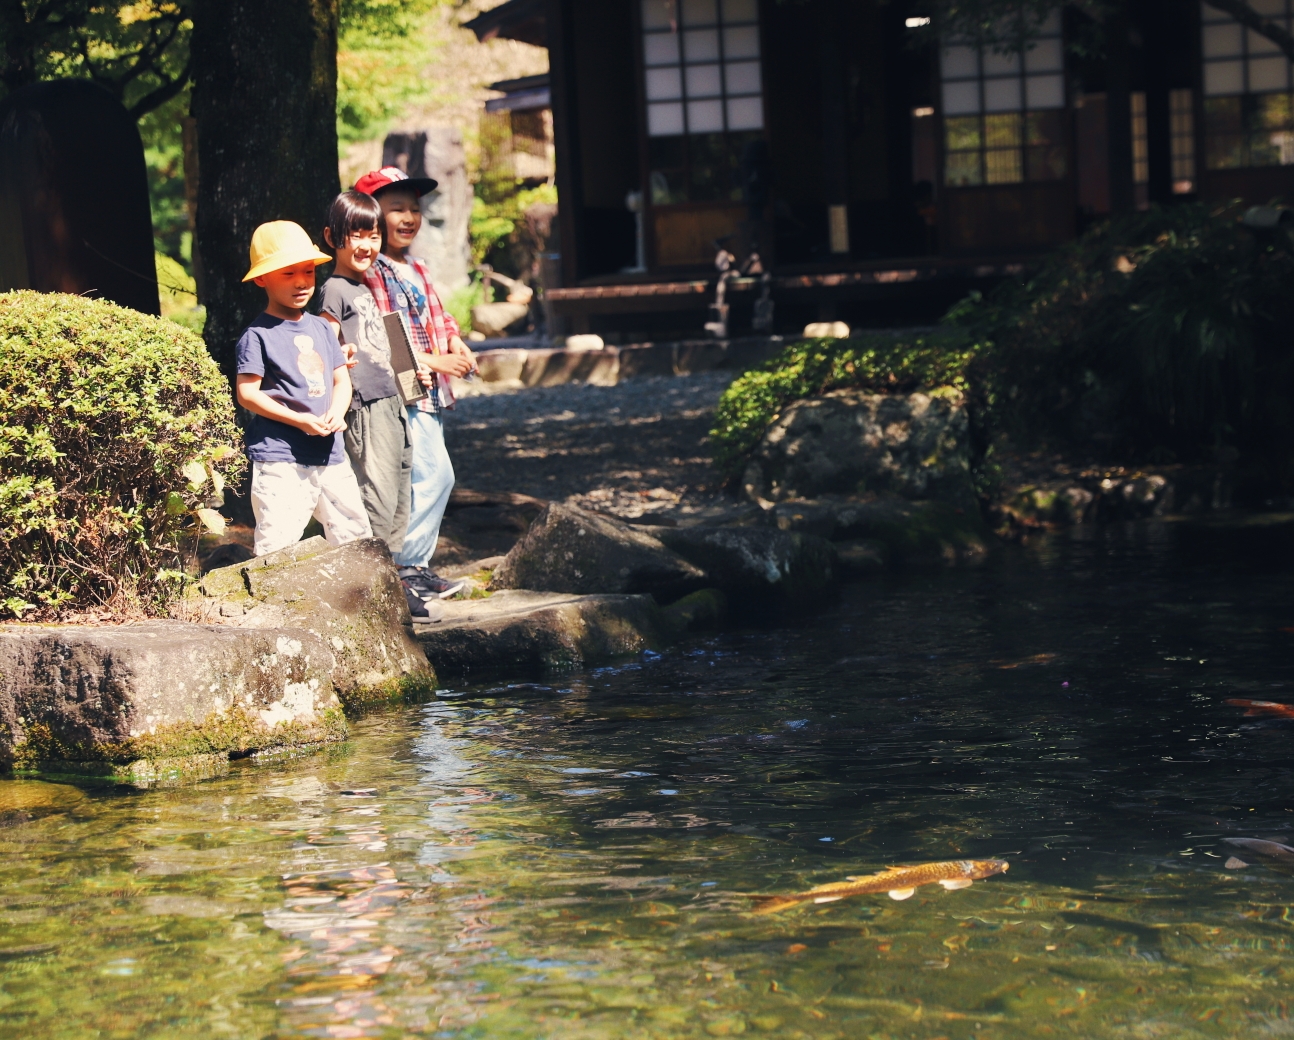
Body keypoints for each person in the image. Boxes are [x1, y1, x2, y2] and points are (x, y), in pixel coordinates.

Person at [354, 166, 476, 604]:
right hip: (404, 386)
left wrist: (455, 342)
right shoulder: (373, 271)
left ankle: (413, 567)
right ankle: (407, 567)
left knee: (421, 475)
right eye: (396, 209)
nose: (408, 217)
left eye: (414, 209)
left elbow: (439, 317)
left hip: (430, 390)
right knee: (435, 475)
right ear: (370, 215)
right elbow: (384, 336)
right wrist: (436, 360)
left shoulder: (416, 267)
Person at [234, 220, 372, 558]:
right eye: (288, 273)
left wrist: (337, 413)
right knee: (277, 545)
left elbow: (341, 379)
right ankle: (274, 609)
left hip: (331, 452)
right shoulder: (257, 336)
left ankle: (363, 607)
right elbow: (247, 394)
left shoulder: (323, 328)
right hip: (281, 457)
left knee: (355, 536)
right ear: (262, 278)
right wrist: (299, 421)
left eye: (308, 272)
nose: (301, 282)